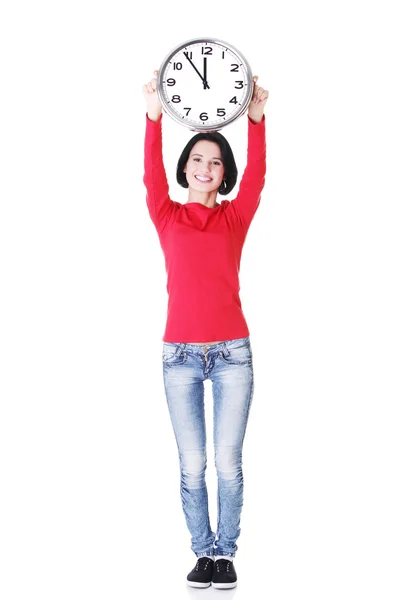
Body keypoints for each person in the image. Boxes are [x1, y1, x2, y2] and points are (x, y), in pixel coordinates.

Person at [142, 68, 269, 589]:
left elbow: (259, 176)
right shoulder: (166, 213)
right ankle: (202, 553)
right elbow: (150, 172)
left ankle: (226, 554)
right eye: (197, 158)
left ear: (224, 172)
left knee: (228, 463)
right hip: (180, 358)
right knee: (193, 465)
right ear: (185, 165)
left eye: (215, 161)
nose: (205, 167)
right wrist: (152, 113)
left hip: (233, 354)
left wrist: (257, 120)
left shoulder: (235, 218)